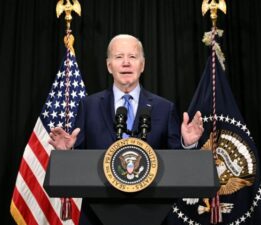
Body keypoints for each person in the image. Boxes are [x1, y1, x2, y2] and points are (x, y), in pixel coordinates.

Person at [48, 34, 204, 225]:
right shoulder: (88, 106)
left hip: (152, 214)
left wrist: (187, 145)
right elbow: (79, 164)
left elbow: (177, 167)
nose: (126, 63)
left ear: (142, 65)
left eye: (132, 57)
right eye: (119, 57)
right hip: (98, 215)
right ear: (109, 66)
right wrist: (68, 153)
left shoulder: (164, 108)